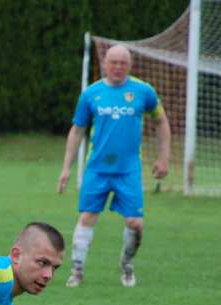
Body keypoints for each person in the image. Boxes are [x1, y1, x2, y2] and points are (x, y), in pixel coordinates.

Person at [57, 44, 170, 288]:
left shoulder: (144, 91)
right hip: (97, 169)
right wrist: (66, 168)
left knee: (135, 223)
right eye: (113, 62)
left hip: (128, 170)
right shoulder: (91, 94)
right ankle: (77, 271)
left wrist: (164, 157)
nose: (118, 67)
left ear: (130, 65)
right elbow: (77, 130)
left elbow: (161, 121)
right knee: (87, 216)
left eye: (123, 63)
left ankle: (127, 263)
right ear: (104, 63)